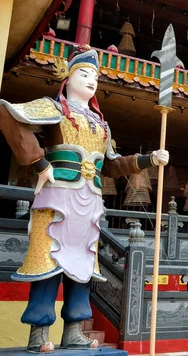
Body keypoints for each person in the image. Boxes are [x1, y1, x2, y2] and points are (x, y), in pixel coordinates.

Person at [0, 46, 169, 353]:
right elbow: (7, 115)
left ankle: (74, 329)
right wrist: (40, 163)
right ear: (68, 77)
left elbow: (114, 164)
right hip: (56, 200)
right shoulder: (52, 108)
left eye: (95, 76)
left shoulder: (100, 124)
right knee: (47, 263)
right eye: (84, 73)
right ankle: (39, 331)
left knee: (82, 267)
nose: (91, 79)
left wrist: (149, 159)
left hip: (89, 203)